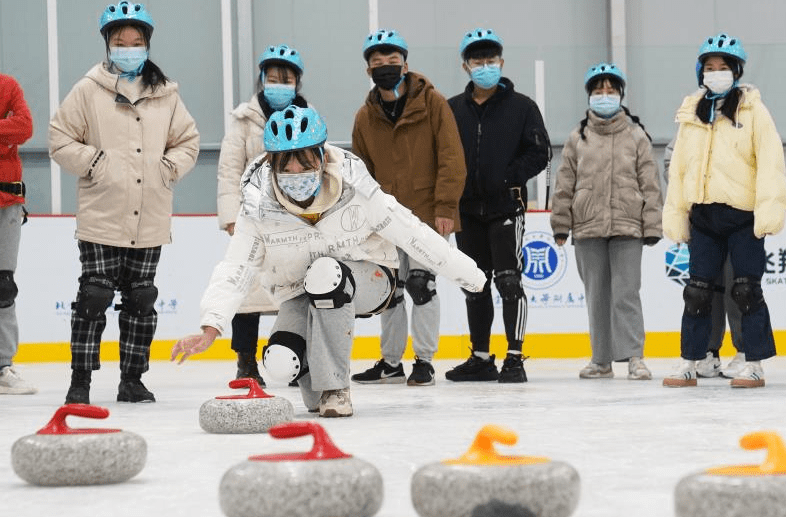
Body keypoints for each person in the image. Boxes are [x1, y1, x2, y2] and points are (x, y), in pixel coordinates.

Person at [171, 106, 485, 417]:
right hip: (299, 290)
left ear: (322, 157)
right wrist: (210, 326)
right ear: (270, 164)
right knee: (280, 363)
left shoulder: (356, 190)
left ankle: (336, 388)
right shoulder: (258, 206)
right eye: (286, 167)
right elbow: (237, 268)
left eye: (305, 164)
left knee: (325, 273)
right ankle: (318, 387)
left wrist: (471, 276)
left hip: (370, 280)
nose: (296, 175)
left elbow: (414, 234)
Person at [49, 1, 199, 404]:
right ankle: (80, 381)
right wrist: (95, 162)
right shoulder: (87, 90)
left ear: (147, 45)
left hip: (149, 215)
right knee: (94, 294)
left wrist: (167, 168)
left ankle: (132, 379)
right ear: (107, 44)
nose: (128, 48)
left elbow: (188, 140)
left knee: (141, 298)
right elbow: (59, 139)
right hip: (101, 212)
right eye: (120, 41)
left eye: (136, 42)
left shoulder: (166, 94)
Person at [662, 33, 785, 388]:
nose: (716, 73)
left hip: (742, 215)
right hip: (704, 215)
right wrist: (677, 211)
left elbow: (771, 162)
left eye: (724, 68)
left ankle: (754, 361)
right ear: (701, 72)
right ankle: (692, 360)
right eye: (710, 68)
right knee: (698, 291)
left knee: (745, 288)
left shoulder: (753, 110)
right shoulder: (693, 112)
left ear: (736, 71)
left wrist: (769, 209)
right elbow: (680, 168)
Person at [351, 29, 466, 387]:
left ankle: (424, 360)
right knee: (389, 291)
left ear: (405, 62)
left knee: (421, 285)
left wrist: (445, 206)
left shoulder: (433, 104)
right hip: (385, 219)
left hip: (427, 214)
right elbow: (360, 170)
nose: (385, 67)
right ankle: (390, 361)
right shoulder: (365, 117)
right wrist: (364, 219)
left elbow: (451, 157)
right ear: (368, 69)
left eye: (391, 61)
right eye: (377, 63)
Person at [445, 28, 550, 384]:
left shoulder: (523, 107)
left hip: (506, 208)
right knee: (474, 284)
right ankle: (480, 357)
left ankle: (515, 357)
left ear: (501, 63)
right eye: (478, 60)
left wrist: (509, 177)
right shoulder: (452, 109)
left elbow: (540, 152)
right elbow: (443, 156)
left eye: (491, 60)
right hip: (467, 211)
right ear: (466, 65)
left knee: (508, 281)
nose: (485, 66)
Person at [550, 63, 662, 380]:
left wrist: (652, 225)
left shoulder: (636, 136)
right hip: (587, 227)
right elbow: (564, 184)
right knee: (597, 295)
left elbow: (650, 184)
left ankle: (634, 357)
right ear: (589, 96)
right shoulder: (577, 138)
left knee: (626, 293)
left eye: (610, 90)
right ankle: (600, 360)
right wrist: (561, 224)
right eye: (598, 91)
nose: (604, 96)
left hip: (628, 225)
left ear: (620, 95)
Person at [217, 44, 310, 387]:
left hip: (298, 219)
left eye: (285, 79)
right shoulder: (243, 119)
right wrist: (229, 214)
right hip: (254, 218)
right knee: (247, 292)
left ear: (297, 82)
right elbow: (229, 169)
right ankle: (246, 361)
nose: (278, 84)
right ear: (262, 80)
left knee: (300, 289)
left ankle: (303, 355)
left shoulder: (309, 116)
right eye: (272, 78)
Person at [663, 136, 745, 378]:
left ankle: (745, 351)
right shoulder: (694, 118)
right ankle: (708, 352)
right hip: (702, 216)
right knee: (703, 289)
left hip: (739, 216)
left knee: (739, 285)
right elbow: (673, 162)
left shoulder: (748, 117)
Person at [0, 73, 36, 395]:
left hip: (7, 202)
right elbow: (14, 130)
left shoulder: (8, 85)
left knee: (2, 286)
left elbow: (25, 128)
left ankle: (2, 366)